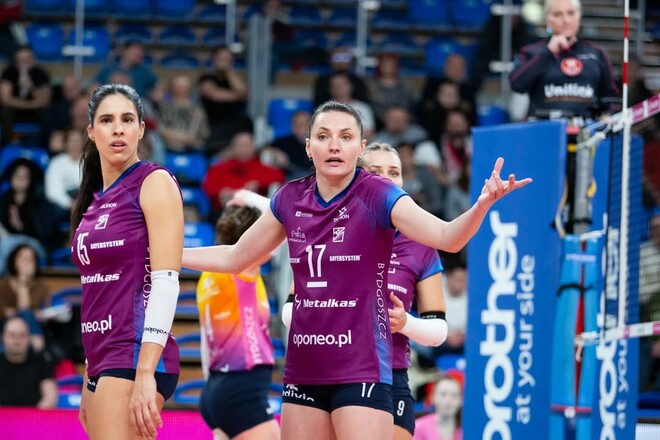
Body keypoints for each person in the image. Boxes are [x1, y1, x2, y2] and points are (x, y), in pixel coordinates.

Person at [182, 100, 530, 439]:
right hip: (305, 366)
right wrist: (168, 254)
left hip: (361, 366)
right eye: (323, 136)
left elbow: (447, 237)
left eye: (346, 137)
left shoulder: (378, 194)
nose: (334, 145)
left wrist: (481, 205)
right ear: (308, 146)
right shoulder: (289, 198)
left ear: (360, 148)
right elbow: (235, 257)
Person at [70, 83, 184, 439]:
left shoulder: (154, 182)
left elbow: (166, 281)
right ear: (91, 131)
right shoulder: (93, 201)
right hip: (102, 359)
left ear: (141, 129)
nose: (118, 129)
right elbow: (97, 293)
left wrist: (145, 372)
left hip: (135, 352)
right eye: (106, 120)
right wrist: (89, 373)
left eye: (127, 119)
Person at [197, 205, 280, 440]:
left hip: (216, 385)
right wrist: (250, 198)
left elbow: (204, 341)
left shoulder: (207, 276)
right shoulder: (244, 267)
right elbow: (286, 223)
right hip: (243, 384)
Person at [509, 0, 620, 119]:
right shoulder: (532, 52)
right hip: (543, 126)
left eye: (571, 13)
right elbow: (517, 84)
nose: (566, 20)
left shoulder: (597, 54)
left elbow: (612, 99)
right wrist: (548, 51)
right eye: (557, 14)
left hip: (586, 128)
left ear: (579, 16)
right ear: (547, 19)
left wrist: (607, 115)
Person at [0, 243, 49, 352]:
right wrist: (22, 282)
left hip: (32, 327)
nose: (26, 263)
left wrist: (23, 284)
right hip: (6, 327)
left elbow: (38, 311)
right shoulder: (3, 284)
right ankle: (38, 347)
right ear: (14, 261)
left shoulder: (41, 286)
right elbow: (4, 311)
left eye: (30, 260)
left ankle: (35, 344)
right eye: (23, 259)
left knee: (26, 314)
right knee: (26, 314)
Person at [0, 316, 58, 408]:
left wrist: (35, 415)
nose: (17, 340)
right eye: (12, 335)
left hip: (33, 415)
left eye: (22, 335)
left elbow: (50, 397)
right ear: (3, 337)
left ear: (29, 337)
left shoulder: (41, 363)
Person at [0, 45, 51, 146]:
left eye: (27, 59)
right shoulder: (9, 73)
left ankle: (44, 145)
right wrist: (30, 104)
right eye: (20, 59)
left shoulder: (41, 74)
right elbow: (5, 99)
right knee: (5, 110)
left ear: (33, 59)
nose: (23, 62)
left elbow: (45, 100)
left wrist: (30, 87)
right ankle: (6, 146)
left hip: (34, 112)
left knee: (47, 112)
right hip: (15, 111)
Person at [45, 128, 83, 223]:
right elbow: (52, 192)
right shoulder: (56, 162)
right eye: (71, 141)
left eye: (78, 141)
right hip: (62, 205)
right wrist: (70, 204)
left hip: (85, 201)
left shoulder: (91, 161)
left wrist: (81, 203)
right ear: (65, 144)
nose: (75, 144)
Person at [413, 376, 463, 440]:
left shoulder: (467, 429)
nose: (448, 400)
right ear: (432, 397)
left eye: (454, 395)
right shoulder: (418, 427)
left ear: (461, 400)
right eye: (443, 394)